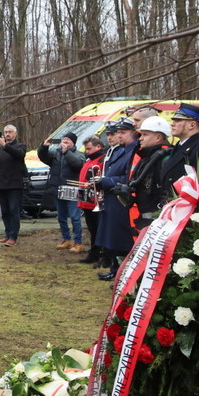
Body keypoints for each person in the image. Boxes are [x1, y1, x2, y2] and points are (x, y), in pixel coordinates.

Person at [91, 118, 138, 280]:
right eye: (117, 132)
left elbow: (128, 177)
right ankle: (115, 270)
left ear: (134, 133)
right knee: (113, 239)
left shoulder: (133, 151)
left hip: (121, 200)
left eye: (122, 132)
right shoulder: (121, 150)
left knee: (121, 240)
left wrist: (106, 181)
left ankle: (121, 273)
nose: (118, 136)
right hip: (112, 198)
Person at [38, 132, 85, 253]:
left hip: (73, 190)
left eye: (68, 140)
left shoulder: (79, 154)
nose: (65, 141)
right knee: (61, 217)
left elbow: (77, 165)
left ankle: (78, 242)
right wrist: (44, 147)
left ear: (73, 142)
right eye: (64, 139)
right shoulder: (56, 154)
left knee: (75, 217)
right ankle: (66, 239)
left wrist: (66, 152)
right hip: (58, 190)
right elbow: (43, 157)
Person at [127, 116, 176, 230]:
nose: (140, 139)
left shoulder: (165, 159)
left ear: (158, 137)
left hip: (157, 220)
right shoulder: (148, 156)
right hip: (146, 217)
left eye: (145, 135)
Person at [0, 124, 27, 246]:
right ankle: (7, 234)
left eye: (10, 132)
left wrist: (5, 145)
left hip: (14, 184)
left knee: (13, 211)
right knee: (5, 211)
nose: (7, 134)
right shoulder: (0, 148)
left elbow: (19, 155)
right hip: (1, 183)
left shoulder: (20, 146)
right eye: (6, 132)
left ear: (15, 134)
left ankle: (13, 236)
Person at [75, 135, 106, 264]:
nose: (87, 151)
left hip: (95, 201)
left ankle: (99, 253)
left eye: (89, 149)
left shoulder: (102, 160)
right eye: (86, 149)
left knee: (98, 229)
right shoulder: (89, 161)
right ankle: (94, 253)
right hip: (87, 201)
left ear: (98, 147)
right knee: (92, 229)